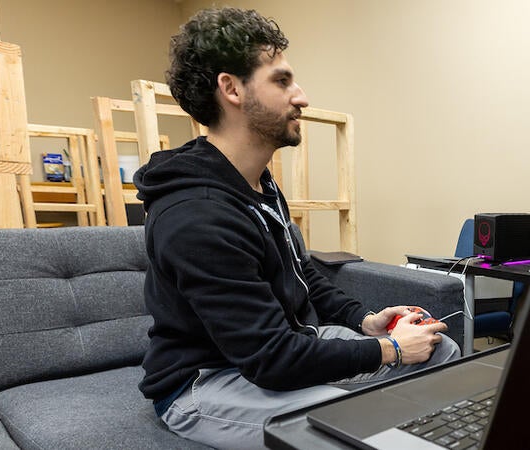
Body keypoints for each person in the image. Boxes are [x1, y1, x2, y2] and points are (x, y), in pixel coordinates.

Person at [134, 8, 459, 449]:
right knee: (346, 425)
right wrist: (392, 350)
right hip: (207, 381)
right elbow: (271, 359)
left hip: (285, 343)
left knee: (441, 349)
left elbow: (303, 274)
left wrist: (366, 322)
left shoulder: (258, 183)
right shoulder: (197, 216)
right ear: (231, 88)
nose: (301, 96)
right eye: (282, 81)